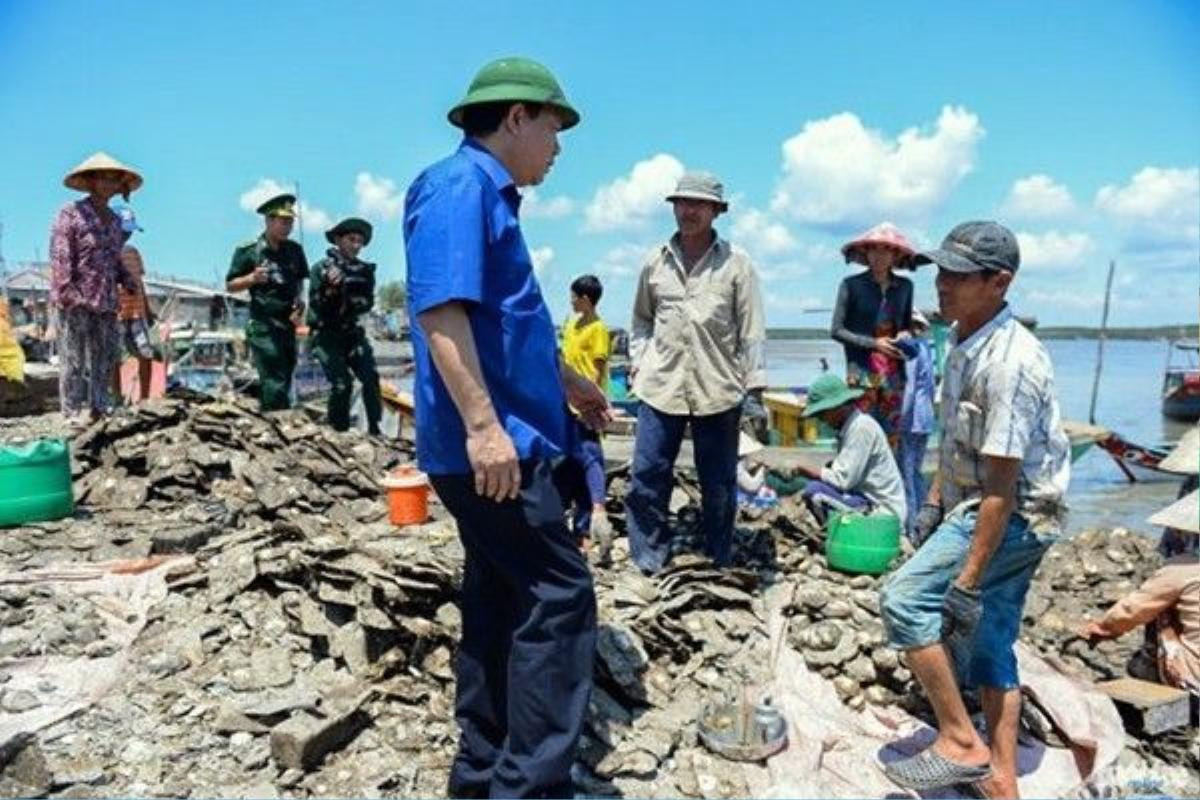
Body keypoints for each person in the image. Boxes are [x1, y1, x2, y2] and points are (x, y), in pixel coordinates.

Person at [402, 57, 607, 798]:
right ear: (517, 117)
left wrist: (570, 385)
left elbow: (508, 324)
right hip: (493, 450)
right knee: (560, 593)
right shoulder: (459, 186)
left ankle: (483, 772)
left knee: (500, 596)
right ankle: (531, 784)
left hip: (509, 441)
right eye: (555, 126)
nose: (558, 145)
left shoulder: (491, 198)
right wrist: (486, 428)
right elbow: (441, 314)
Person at [879, 221, 1070, 798]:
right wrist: (934, 500)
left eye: (959, 276)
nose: (943, 285)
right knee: (991, 643)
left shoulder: (1010, 363)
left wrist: (965, 580)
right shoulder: (963, 340)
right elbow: (956, 439)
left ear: (998, 281)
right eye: (942, 272)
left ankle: (960, 739)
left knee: (904, 599)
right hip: (989, 503)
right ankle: (1002, 777)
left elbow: (1001, 490)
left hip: (1015, 512)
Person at [625, 171, 767, 574]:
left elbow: (752, 330)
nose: (689, 211)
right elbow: (640, 320)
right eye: (682, 202)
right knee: (647, 475)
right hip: (661, 385)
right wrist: (640, 361)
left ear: (716, 211)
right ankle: (648, 558)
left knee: (719, 484)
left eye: (699, 204)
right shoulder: (655, 261)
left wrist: (754, 389)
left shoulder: (737, 265)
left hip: (718, 388)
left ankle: (717, 557)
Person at [49, 152, 141, 422]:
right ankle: (73, 412)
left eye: (113, 180)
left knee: (103, 357)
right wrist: (68, 292)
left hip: (105, 300)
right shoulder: (70, 214)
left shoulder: (114, 221)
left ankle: (99, 407)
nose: (108, 184)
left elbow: (113, 258)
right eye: (102, 178)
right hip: (75, 299)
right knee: (74, 357)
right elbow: (61, 256)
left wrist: (127, 278)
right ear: (90, 182)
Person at [1080, 490, 1199, 693]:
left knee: (1161, 612)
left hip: (1195, 680)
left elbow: (1133, 609)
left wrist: (1102, 628)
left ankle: (1162, 675)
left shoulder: (1180, 568)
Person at [830, 222, 916, 445]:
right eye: (874, 249)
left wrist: (905, 335)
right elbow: (837, 331)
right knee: (860, 435)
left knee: (891, 439)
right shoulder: (851, 285)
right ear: (865, 252)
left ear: (895, 255)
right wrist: (874, 344)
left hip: (895, 376)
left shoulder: (905, 286)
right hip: (861, 375)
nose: (879, 255)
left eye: (886, 249)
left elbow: (906, 325)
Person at [225, 193, 308, 411]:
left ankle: (273, 416)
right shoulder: (249, 250)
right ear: (269, 221)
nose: (287, 227)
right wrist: (251, 278)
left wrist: (300, 302)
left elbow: (300, 280)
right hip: (263, 325)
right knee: (273, 376)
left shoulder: (295, 251)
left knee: (286, 371)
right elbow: (231, 284)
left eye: (290, 222)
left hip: (287, 324)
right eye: (283, 221)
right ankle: (279, 420)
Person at [791, 373, 906, 524]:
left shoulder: (860, 428)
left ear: (836, 407)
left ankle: (836, 537)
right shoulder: (852, 427)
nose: (822, 421)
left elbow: (842, 481)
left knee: (815, 491)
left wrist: (804, 469)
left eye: (822, 414)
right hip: (865, 499)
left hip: (882, 510)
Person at [307, 217, 382, 434]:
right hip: (327, 335)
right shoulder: (320, 269)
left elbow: (367, 303)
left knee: (370, 377)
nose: (356, 245)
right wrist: (330, 290)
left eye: (360, 241)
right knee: (342, 384)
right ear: (338, 240)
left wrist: (353, 300)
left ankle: (375, 428)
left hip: (352, 333)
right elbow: (317, 305)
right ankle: (337, 431)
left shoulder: (364, 271)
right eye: (351, 239)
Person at [560, 274, 613, 558]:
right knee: (567, 461)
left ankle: (584, 527)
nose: (570, 301)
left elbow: (596, 370)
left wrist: (587, 402)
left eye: (574, 296)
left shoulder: (598, 330)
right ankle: (568, 525)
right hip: (564, 403)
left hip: (585, 407)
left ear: (586, 299)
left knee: (589, 460)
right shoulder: (571, 324)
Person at [895, 310, 936, 539]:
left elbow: (909, 388)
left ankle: (912, 529)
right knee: (917, 474)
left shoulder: (910, 349)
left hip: (911, 420)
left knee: (907, 475)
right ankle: (925, 524)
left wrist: (900, 418)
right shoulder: (926, 347)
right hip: (926, 418)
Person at [115, 245, 158, 402]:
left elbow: (140, 283)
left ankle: (144, 397)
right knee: (115, 358)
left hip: (137, 313)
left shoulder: (133, 252)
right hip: (116, 314)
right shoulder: (107, 252)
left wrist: (147, 310)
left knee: (146, 354)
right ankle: (116, 395)